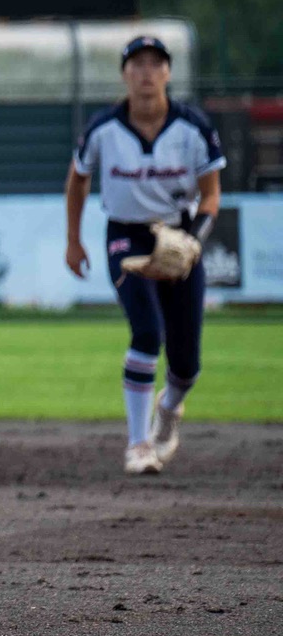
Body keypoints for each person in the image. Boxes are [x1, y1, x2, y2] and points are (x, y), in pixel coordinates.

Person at [64, 35, 224, 476]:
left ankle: (169, 410)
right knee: (147, 332)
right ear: (124, 74)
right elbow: (77, 180)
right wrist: (73, 240)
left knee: (187, 363)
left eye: (156, 64)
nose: (147, 73)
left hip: (178, 234)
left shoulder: (193, 127)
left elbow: (211, 196)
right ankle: (138, 444)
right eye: (137, 64)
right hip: (126, 236)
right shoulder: (104, 129)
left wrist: (193, 239)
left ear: (169, 73)